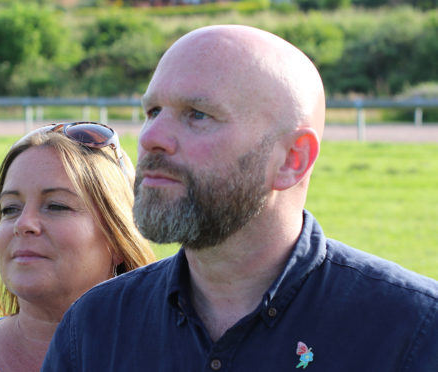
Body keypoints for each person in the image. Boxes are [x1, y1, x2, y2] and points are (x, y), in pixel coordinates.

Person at [42, 25, 438, 371]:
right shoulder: (95, 328)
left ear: (292, 159)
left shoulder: (412, 333)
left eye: (197, 114)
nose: (150, 138)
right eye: (153, 111)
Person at [0, 122, 156, 372]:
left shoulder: (170, 359)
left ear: (119, 238)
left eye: (56, 206)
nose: (23, 224)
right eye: (10, 208)